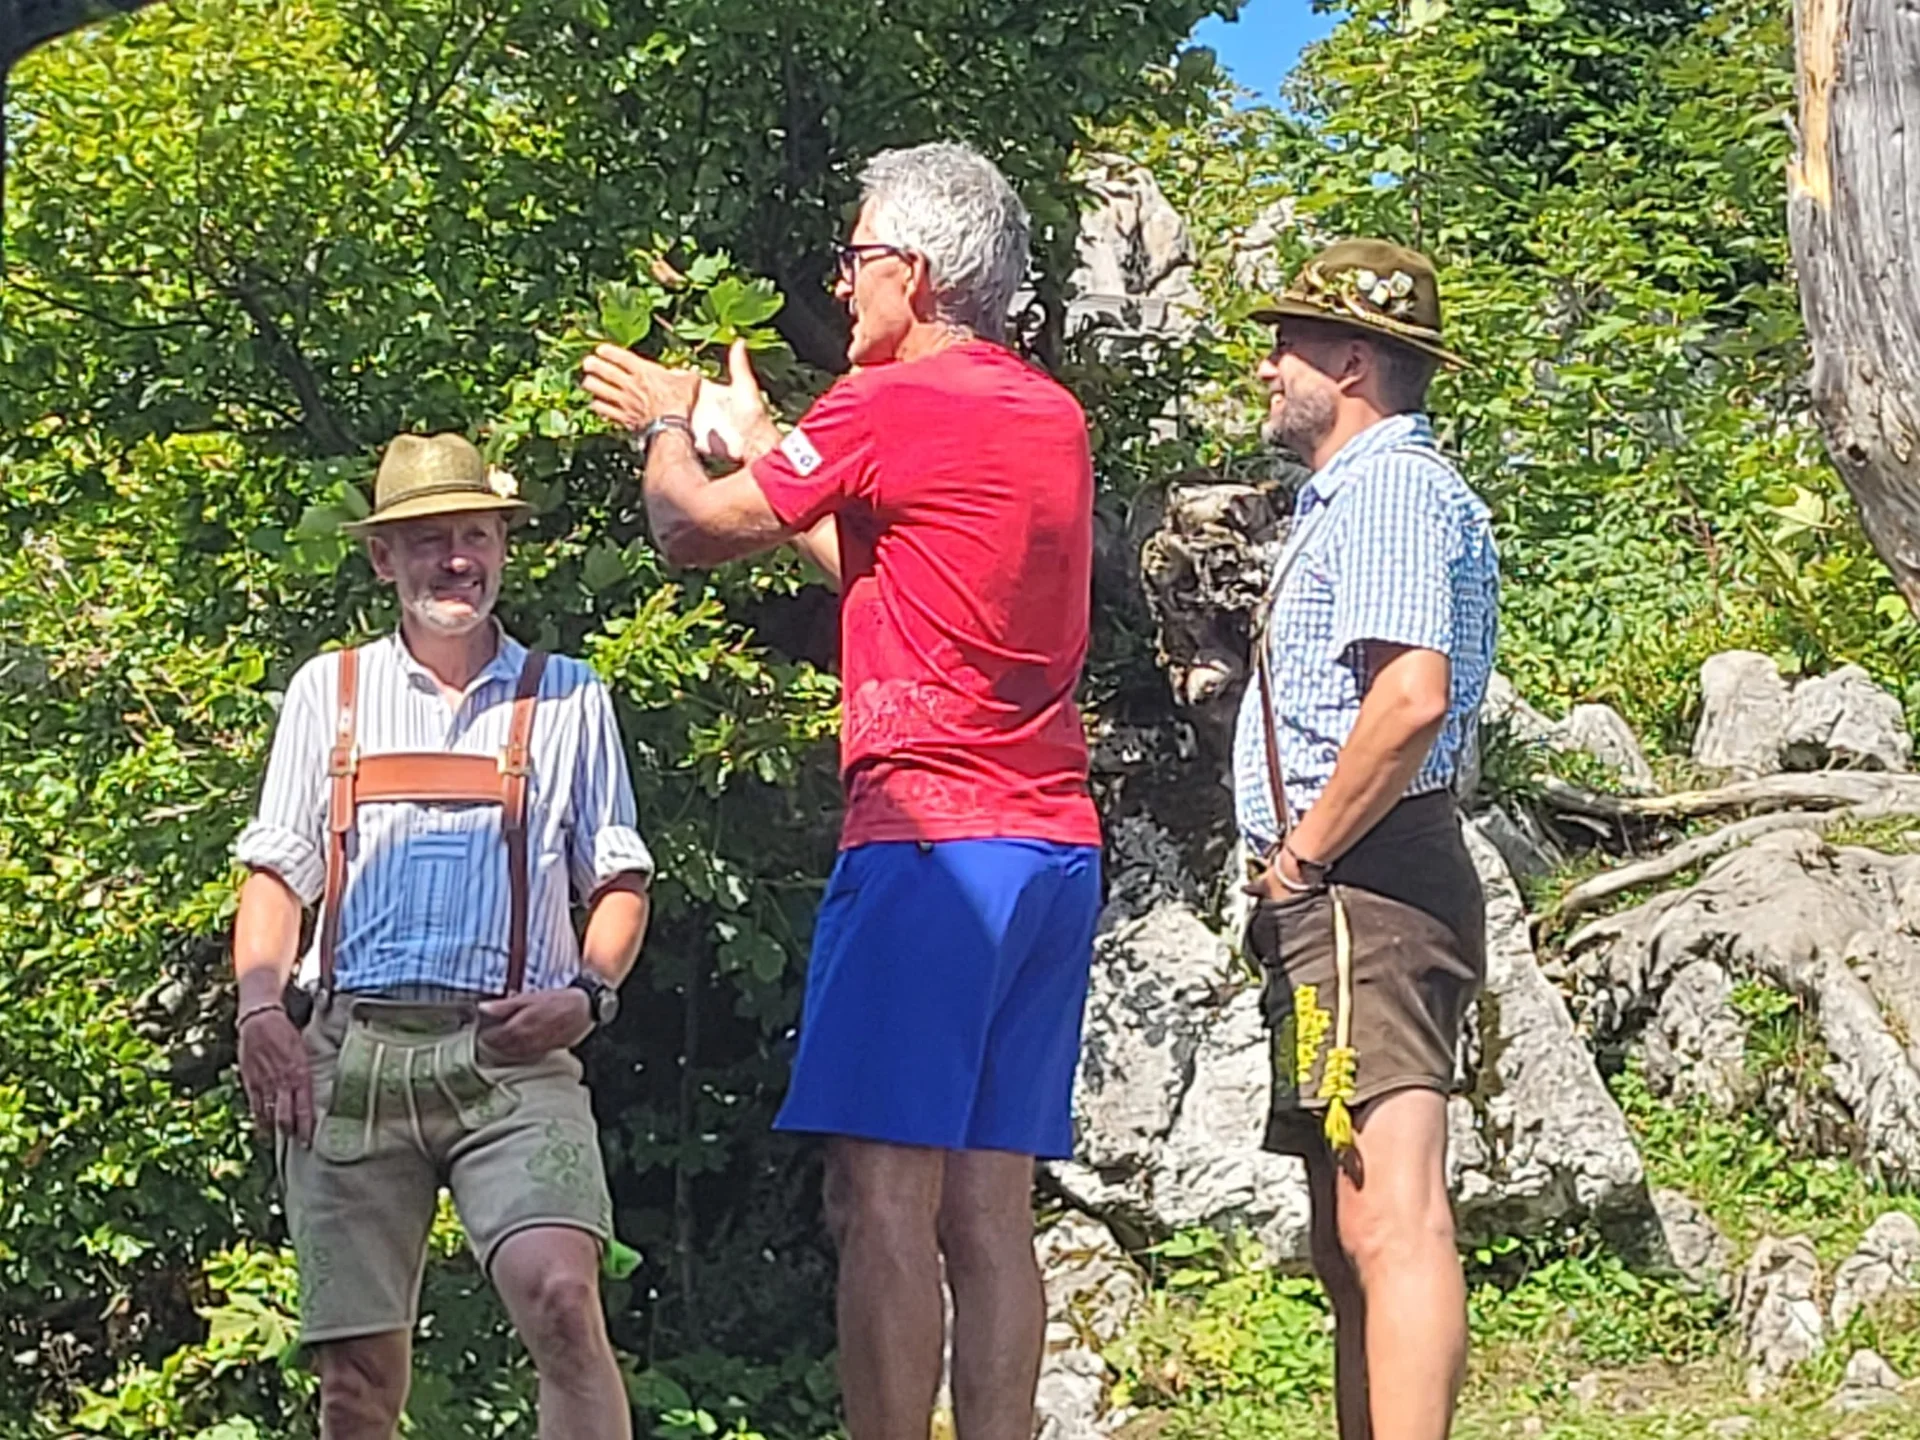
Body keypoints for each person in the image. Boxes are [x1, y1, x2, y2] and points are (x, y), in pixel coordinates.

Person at [580, 141, 1102, 1440]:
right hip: (1050, 849)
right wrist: (769, 438)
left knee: (877, 1199)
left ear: (912, 274)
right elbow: (885, 558)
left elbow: (691, 531)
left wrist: (666, 429)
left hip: (928, 842)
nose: (845, 282)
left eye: (857, 258)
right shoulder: (1046, 414)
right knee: (989, 1212)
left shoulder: (890, 406)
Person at [231, 432, 653, 1440]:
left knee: (561, 1294)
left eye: (474, 534)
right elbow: (279, 867)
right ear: (385, 559)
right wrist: (259, 1009)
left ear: (504, 547)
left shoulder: (569, 695)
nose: (453, 558)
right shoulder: (324, 694)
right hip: (349, 1055)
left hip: (512, 1060)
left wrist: (587, 996)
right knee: (356, 1386)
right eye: (427, 540)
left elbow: (622, 877)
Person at [1233, 239, 1498, 1440]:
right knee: (1351, 1228)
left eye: (1287, 345)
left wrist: (1302, 856)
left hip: (1366, 881)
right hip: (1349, 884)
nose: (1266, 367)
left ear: (1350, 360)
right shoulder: (1361, 494)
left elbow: (1410, 698)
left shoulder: (1389, 491)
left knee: (1391, 1213)